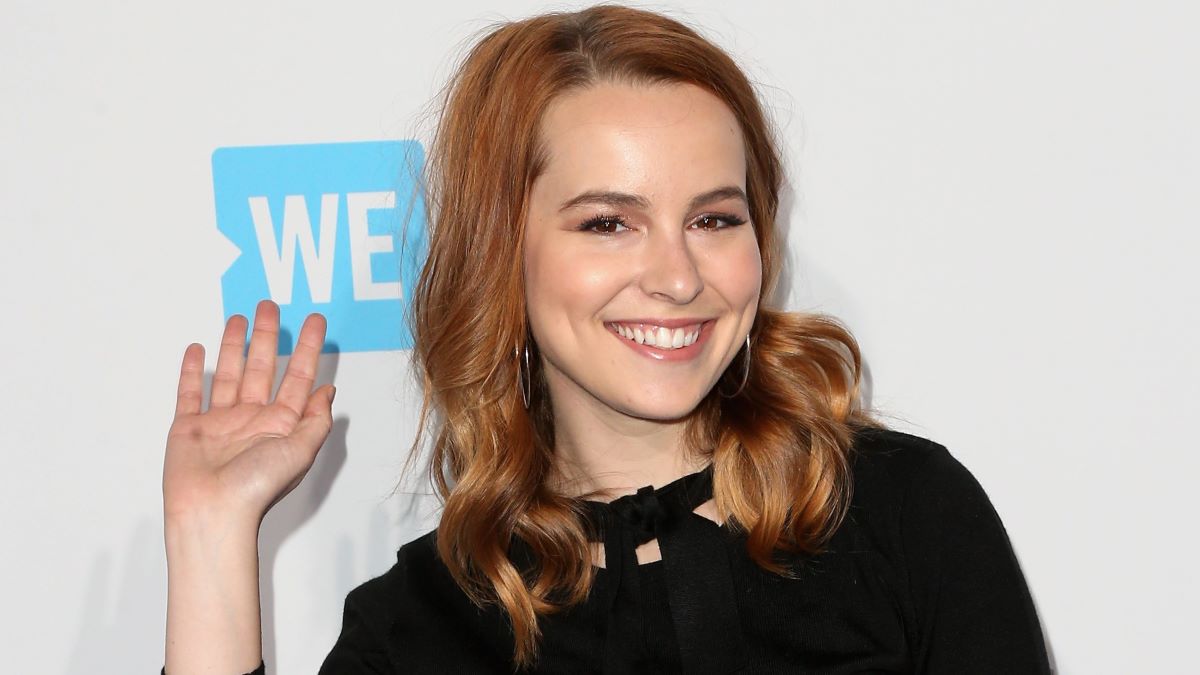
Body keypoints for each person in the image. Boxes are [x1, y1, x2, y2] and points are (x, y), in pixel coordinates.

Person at [163, 5, 1051, 673]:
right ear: (500, 254)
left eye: (712, 217)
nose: (677, 275)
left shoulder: (903, 516)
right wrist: (209, 534)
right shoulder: (423, 623)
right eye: (607, 224)